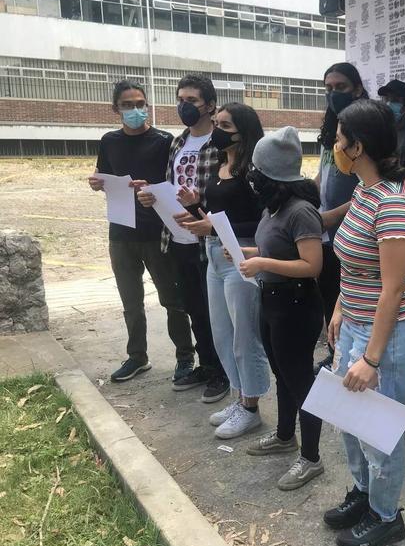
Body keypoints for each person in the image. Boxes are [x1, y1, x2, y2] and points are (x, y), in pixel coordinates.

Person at [323, 100, 405, 546]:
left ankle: (387, 516)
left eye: (338, 139)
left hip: (391, 335)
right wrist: (338, 309)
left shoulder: (393, 204)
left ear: (357, 146)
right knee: (349, 418)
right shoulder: (366, 191)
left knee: (377, 431)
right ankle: (364, 493)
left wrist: (370, 358)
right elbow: (355, 267)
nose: (334, 146)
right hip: (356, 320)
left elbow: (392, 289)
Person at [88, 80, 194, 383]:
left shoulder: (164, 141)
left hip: (156, 233)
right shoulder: (109, 141)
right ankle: (137, 357)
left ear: (147, 105)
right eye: (127, 105)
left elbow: (175, 186)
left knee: (172, 300)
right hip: (120, 233)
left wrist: (151, 190)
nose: (135, 110)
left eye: (139, 103)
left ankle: (185, 358)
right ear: (115, 109)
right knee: (130, 301)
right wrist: (98, 183)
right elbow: (105, 176)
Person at [175, 103, 271, 439]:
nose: (217, 130)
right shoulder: (221, 164)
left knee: (245, 337)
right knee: (223, 334)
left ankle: (251, 408)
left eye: (225, 125)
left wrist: (212, 228)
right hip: (215, 256)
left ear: (244, 130)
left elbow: (263, 222)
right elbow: (216, 214)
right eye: (215, 123)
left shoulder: (255, 172)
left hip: (241, 258)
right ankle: (238, 396)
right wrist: (192, 207)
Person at [239, 127, 326, 491]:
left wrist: (262, 265)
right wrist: (247, 253)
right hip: (272, 301)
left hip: (296, 304)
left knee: (301, 381)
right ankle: (285, 435)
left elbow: (311, 266)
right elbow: (275, 251)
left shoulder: (301, 211)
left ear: (271, 174)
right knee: (283, 375)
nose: (251, 176)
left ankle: (311, 458)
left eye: (256, 170)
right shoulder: (273, 206)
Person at [137, 74, 229, 403]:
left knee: (215, 310)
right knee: (193, 307)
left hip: (208, 240)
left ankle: (223, 372)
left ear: (209, 104)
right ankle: (205, 364)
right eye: (180, 99)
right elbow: (170, 185)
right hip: (177, 239)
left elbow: (225, 192)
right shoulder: (177, 142)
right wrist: (151, 197)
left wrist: (205, 217)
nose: (183, 106)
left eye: (191, 100)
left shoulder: (220, 143)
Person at [313, 63, 368, 375]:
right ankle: (335, 352)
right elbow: (323, 176)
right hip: (327, 233)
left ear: (357, 89)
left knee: (350, 298)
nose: (333, 94)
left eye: (341, 87)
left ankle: (353, 357)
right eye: (329, 88)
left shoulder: (364, 130)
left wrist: (331, 216)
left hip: (354, 232)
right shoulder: (332, 130)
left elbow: (369, 188)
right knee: (330, 295)